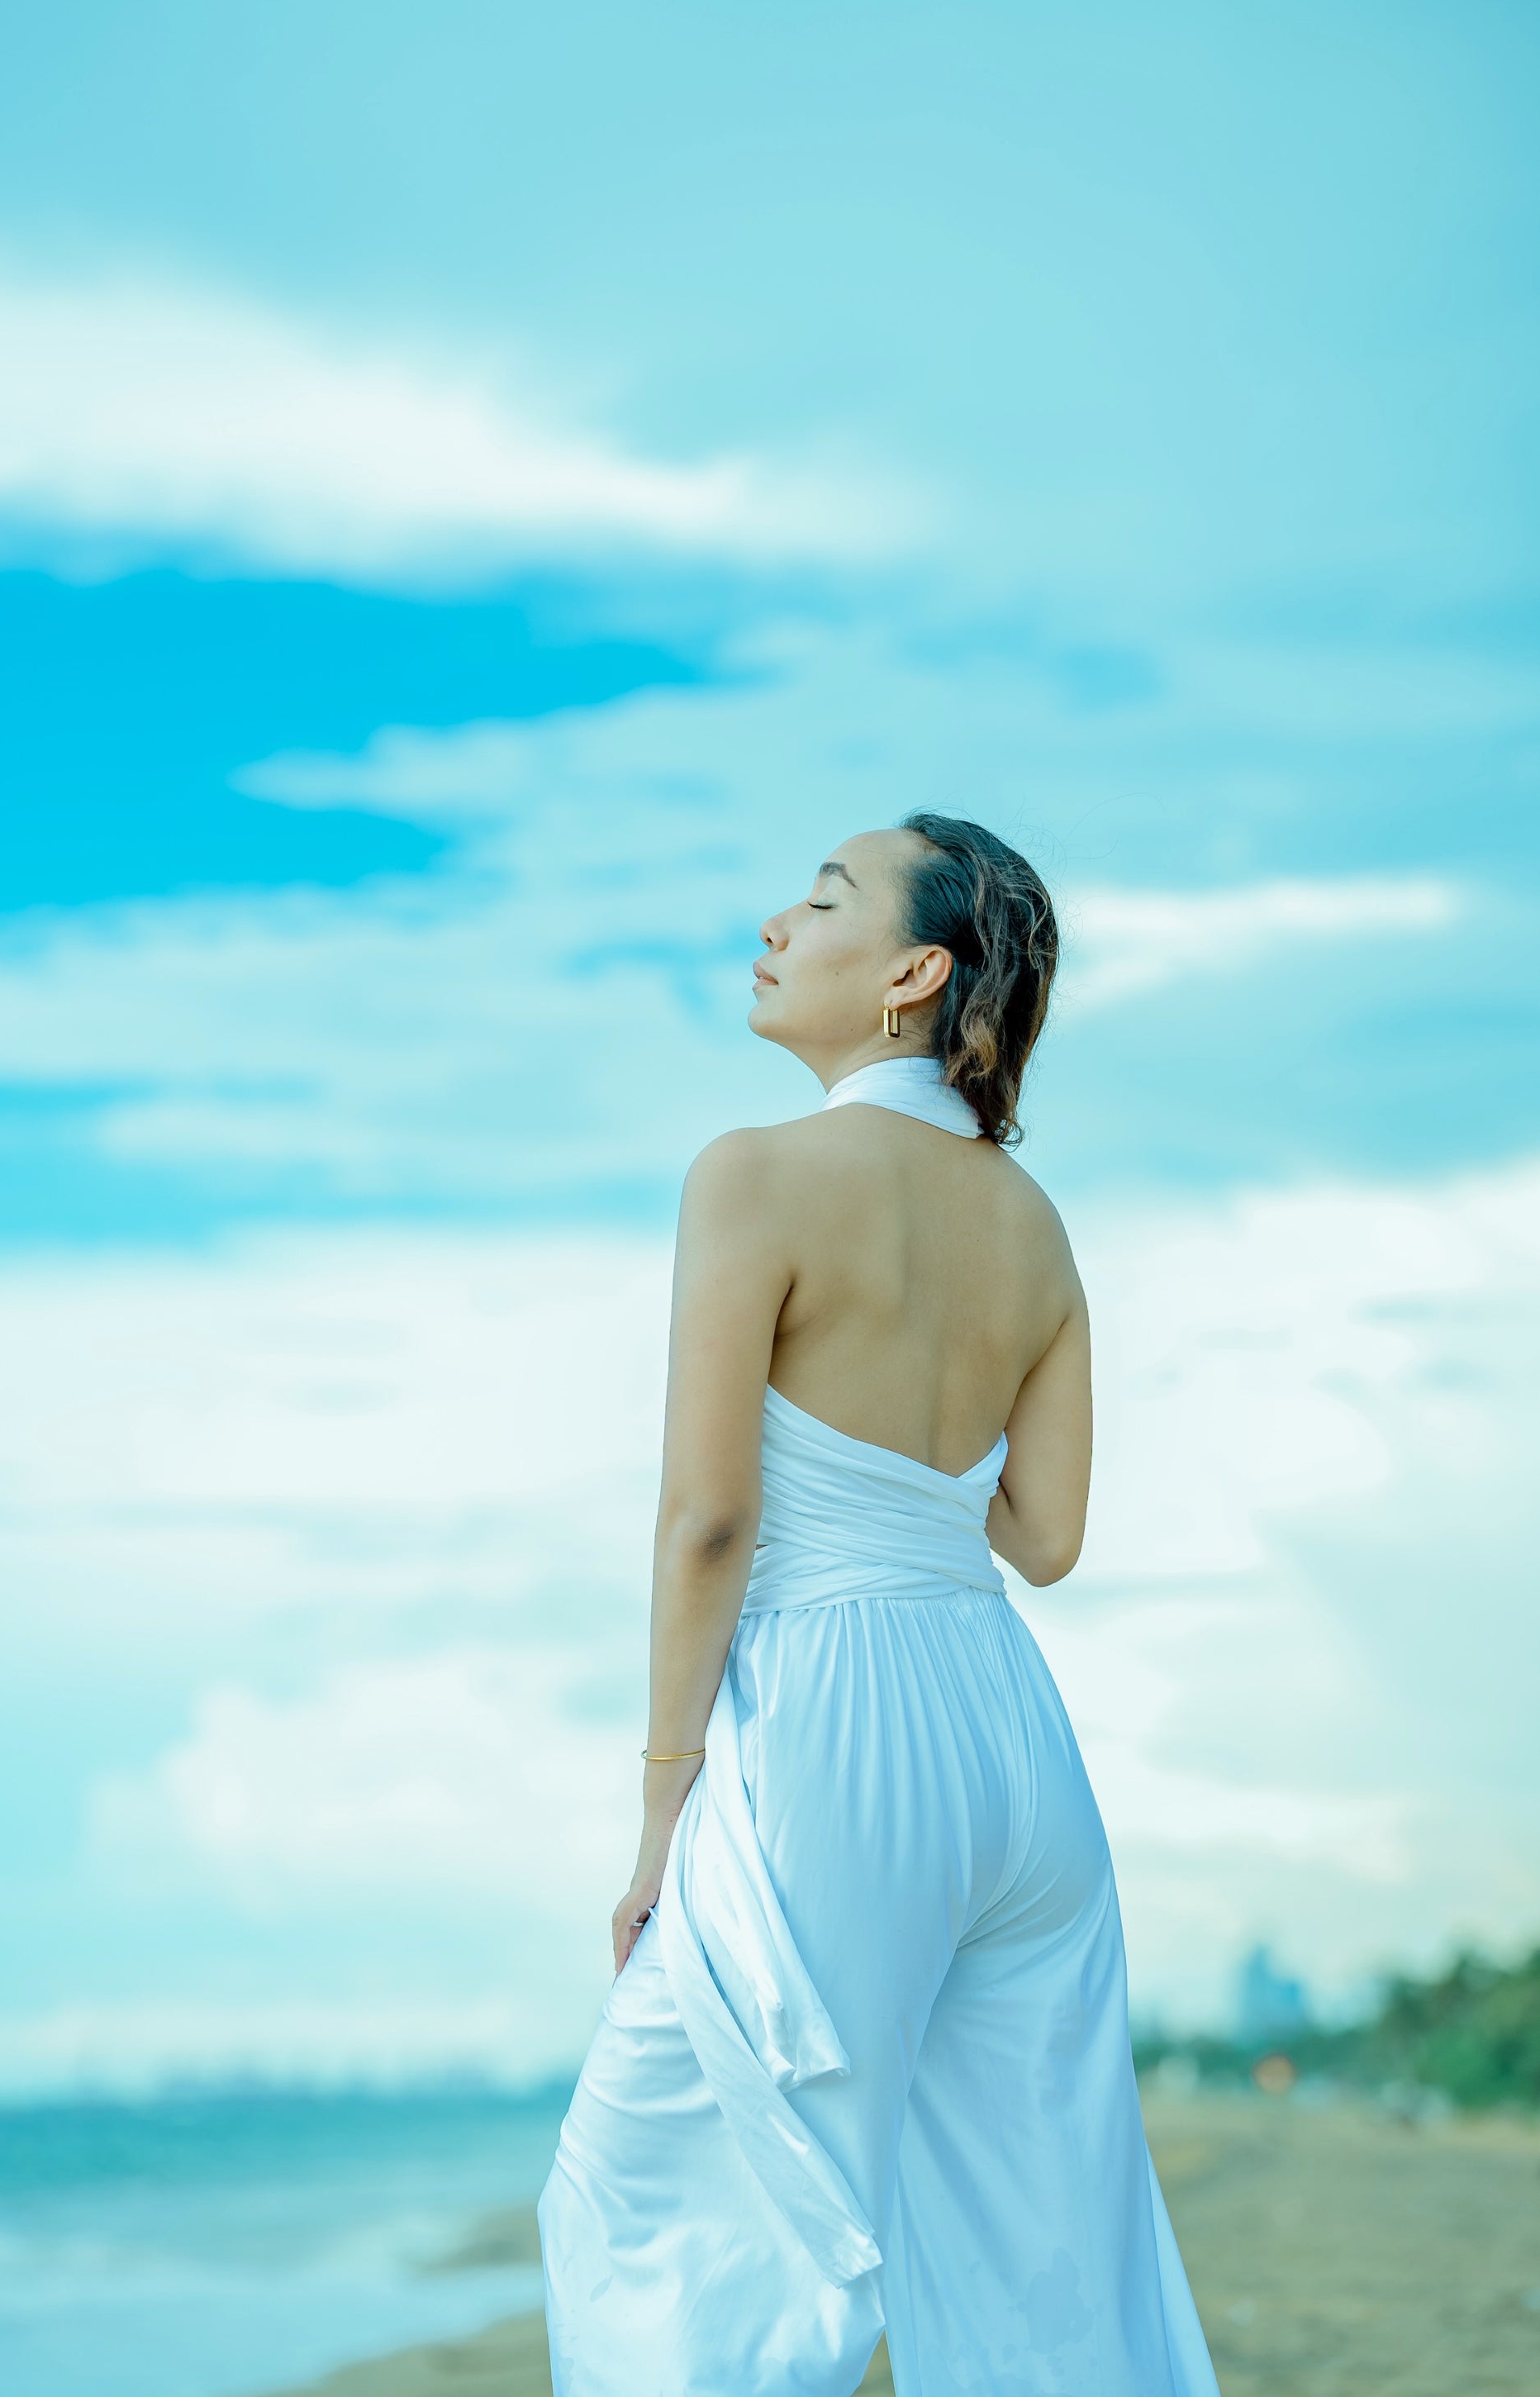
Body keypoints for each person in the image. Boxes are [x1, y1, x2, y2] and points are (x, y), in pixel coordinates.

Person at [539, 815, 1219, 2397]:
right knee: (1037, 2239)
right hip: (1008, 1738)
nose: (776, 924)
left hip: (829, 1734)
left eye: (822, 897)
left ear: (913, 974)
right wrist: (910, 1477)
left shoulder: (754, 1174)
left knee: (662, 2219)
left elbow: (710, 1520)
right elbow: (1044, 1537)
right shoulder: (1031, 1222)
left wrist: (663, 1809)